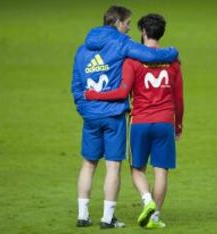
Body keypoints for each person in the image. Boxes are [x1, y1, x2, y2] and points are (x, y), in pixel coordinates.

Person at [71, 5, 179, 229]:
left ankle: (83, 215)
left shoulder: (82, 50)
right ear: (118, 23)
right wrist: (172, 52)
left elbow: (76, 86)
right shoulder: (122, 44)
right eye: (128, 24)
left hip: (92, 115)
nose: (129, 29)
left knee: (88, 164)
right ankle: (109, 218)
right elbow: (149, 55)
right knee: (113, 167)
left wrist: (86, 108)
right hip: (115, 115)